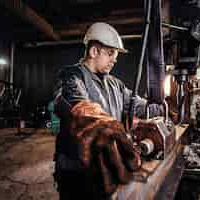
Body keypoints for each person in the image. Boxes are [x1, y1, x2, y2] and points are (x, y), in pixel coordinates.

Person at [53, 22, 164, 200]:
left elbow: (137, 105)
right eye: (110, 52)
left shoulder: (115, 84)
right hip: (77, 171)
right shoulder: (72, 76)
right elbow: (77, 107)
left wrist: (158, 105)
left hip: (106, 168)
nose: (115, 59)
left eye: (116, 54)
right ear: (94, 51)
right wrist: (109, 127)